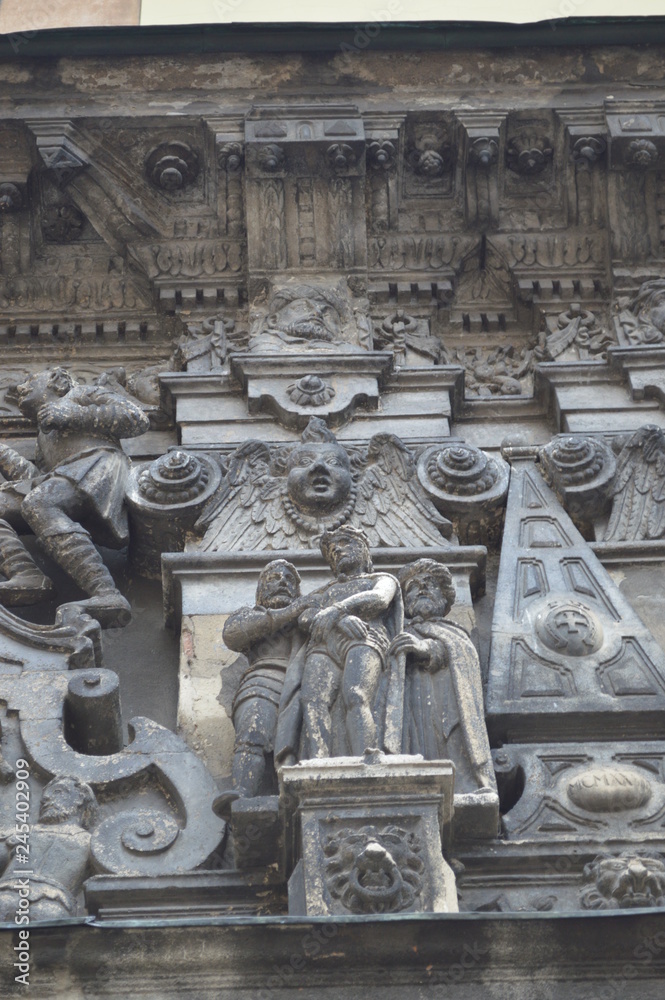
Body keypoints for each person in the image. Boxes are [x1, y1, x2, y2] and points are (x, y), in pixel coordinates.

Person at [0, 367, 149, 627]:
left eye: (29, 381)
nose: (20, 389)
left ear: (57, 382)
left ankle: (106, 593)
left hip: (96, 467)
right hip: (65, 478)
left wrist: (75, 413)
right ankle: (26, 573)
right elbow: (40, 477)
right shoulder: (43, 434)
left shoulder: (83, 394)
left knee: (39, 503)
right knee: (30, 502)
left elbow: (135, 418)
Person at [283, 525, 403, 760]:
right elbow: (305, 615)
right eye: (332, 549)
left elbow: (379, 599)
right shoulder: (326, 590)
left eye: (345, 542)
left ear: (364, 549)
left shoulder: (381, 579)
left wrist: (337, 610)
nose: (337, 549)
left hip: (364, 636)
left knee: (356, 694)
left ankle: (365, 754)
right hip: (323, 644)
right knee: (313, 699)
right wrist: (339, 620)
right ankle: (318, 759)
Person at [390, 559, 495, 793]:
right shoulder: (397, 632)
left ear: (445, 597)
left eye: (430, 584)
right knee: (416, 739)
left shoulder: (454, 633)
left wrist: (426, 649)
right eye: (414, 587)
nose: (422, 589)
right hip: (411, 698)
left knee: (452, 738)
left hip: (447, 700)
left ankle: (465, 785)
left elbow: (461, 655)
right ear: (404, 602)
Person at [222, 560, 317, 799]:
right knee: (252, 735)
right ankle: (242, 792)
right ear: (261, 590)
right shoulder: (251, 615)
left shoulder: (307, 618)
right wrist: (290, 612)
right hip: (263, 681)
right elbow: (232, 634)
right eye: (274, 578)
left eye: (289, 580)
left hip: (305, 685)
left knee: (308, 746)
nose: (283, 582)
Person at [0, 775, 96, 921]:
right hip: (7, 892)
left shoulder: (89, 842)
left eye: (57, 792)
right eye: (45, 795)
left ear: (80, 798)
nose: (45, 799)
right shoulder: (21, 832)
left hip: (54, 902)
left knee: (51, 918)